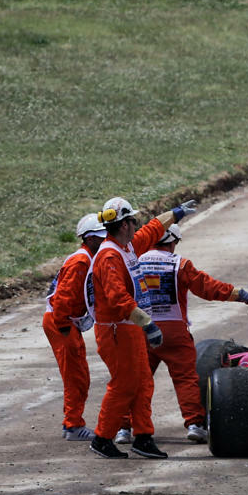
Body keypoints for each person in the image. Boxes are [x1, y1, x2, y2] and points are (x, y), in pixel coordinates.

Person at [128, 223, 248, 445]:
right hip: (174, 330)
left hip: (141, 328)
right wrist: (241, 295)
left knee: (136, 379)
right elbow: (207, 287)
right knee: (185, 379)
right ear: (172, 241)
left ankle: (125, 428)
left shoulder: (134, 263)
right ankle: (194, 424)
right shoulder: (179, 264)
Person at [85, 196, 197, 459]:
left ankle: (143, 436)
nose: (137, 224)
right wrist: (148, 324)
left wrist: (176, 213)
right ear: (124, 225)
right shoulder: (110, 256)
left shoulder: (127, 247)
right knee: (125, 384)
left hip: (129, 328)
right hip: (116, 330)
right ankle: (102, 438)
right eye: (133, 220)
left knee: (143, 381)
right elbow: (117, 298)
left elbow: (151, 230)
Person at [42, 213, 106, 441]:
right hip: (62, 323)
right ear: (89, 239)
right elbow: (62, 300)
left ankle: (73, 424)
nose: (105, 240)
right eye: (101, 237)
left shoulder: (87, 258)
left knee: (79, 376)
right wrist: (66, 328)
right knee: (76, 377)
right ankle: (73, 426)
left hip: (66, 323)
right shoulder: (81, 261)